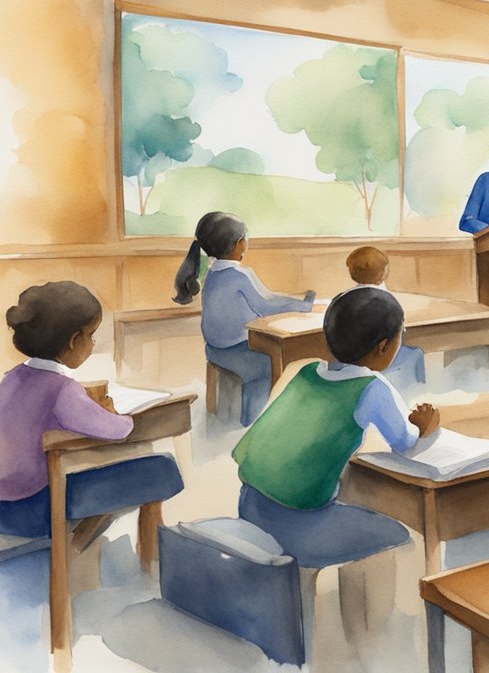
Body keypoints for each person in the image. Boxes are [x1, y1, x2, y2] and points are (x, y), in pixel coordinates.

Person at [232, 287, 439, 570]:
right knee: (401, 535)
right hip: (302, 529)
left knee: (349, 487)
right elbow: (405, 443)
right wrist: (424, 427)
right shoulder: (371, 387)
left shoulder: (306, 373)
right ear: (383, 346)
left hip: (249, 506)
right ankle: (368, 613)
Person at [0, 282, 183, 538]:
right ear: (74, 341)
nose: (93, 342)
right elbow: (117, 430)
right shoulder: (63, 389)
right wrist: (112, 411)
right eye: (91, 335)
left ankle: (84, 544)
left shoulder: (11, 378)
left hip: (4, 508)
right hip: (34, 510)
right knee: (161, 468)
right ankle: (146, 558)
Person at [173, 211, 315, 426]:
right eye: (246, 239)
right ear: (239, 243)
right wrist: (303, 305)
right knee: (268, 365)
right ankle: (253, 423)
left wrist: (296, 301)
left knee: (269, 351)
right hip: (235, 352)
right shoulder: (240, 275)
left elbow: (267, 297)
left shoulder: (213, 273)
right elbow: (265, 305)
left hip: (213, 349)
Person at [344, 246, 426, 392]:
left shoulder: (344, 298)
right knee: (416, 353)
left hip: (351, 357)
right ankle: (416, 394)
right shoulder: (387, 302)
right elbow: (397, 333)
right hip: (377, 358)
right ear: (384, 273)